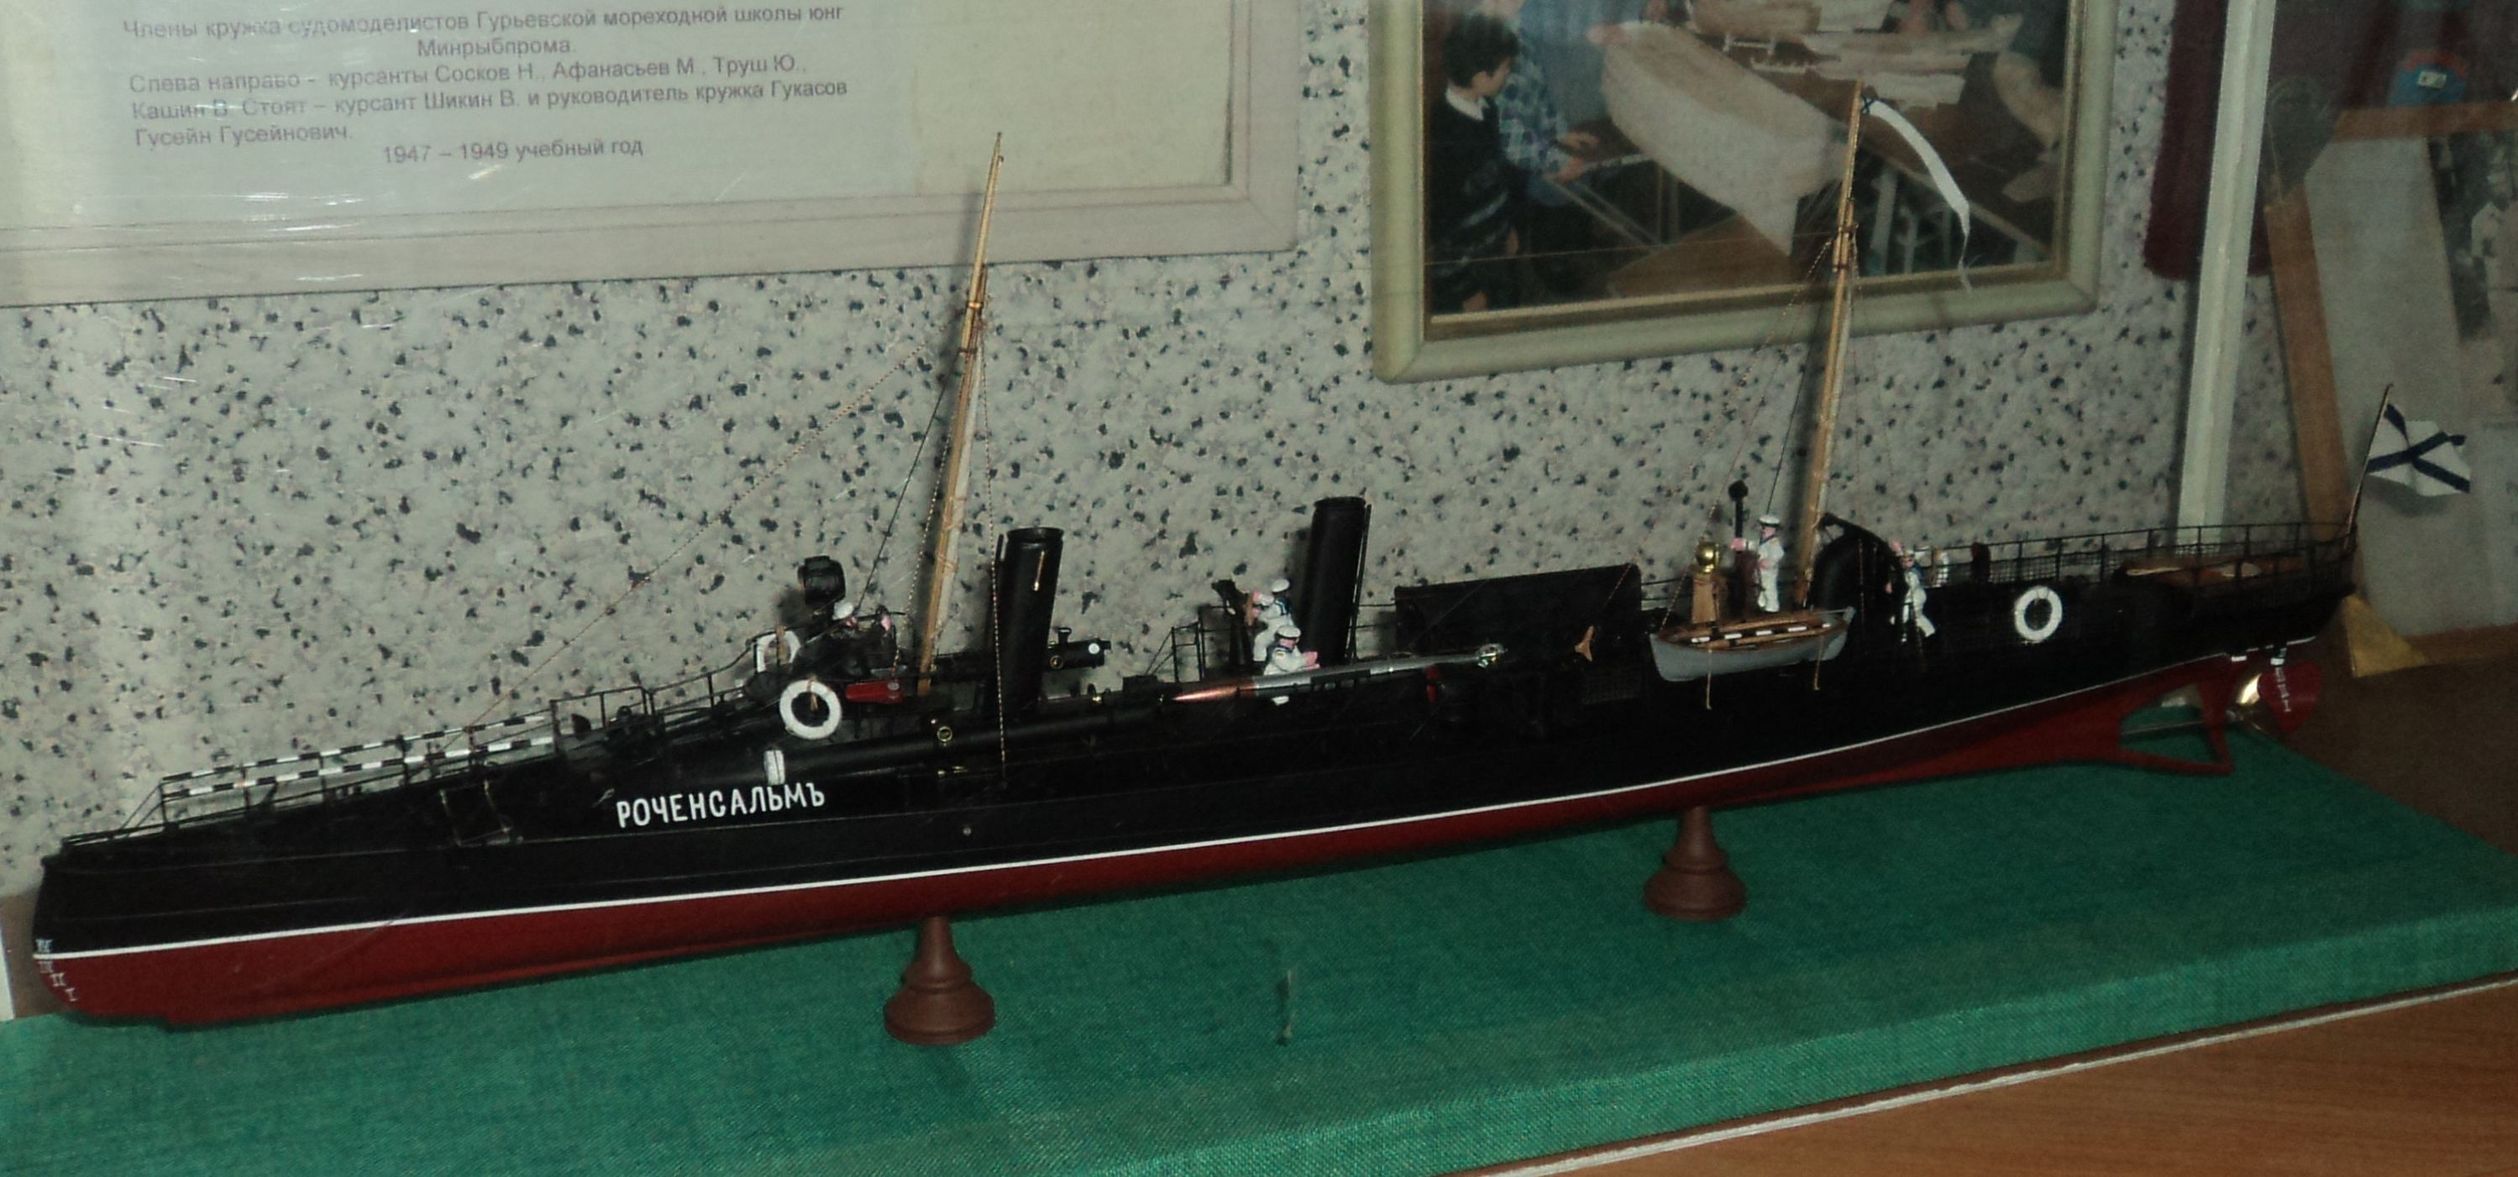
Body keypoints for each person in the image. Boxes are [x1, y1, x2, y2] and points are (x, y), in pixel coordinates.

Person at [1427, 12, 1525, 313]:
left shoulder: (1487, 109)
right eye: (1506, 69)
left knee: (1508, 304)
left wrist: (1507, 228)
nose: (1508, 74)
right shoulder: (1444, 141)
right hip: (1466, 269)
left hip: (1494, 245)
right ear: (1481, 78)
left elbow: (1495, 178)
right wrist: (1464, 289)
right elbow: (1437, 230)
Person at [1732, 513, 1785, 614]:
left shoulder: (1774, 543)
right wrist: (1742, 544)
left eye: (1765, 528)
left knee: (1769, 591)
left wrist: (1769, 562)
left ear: (1773, 530)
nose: (1763, 531)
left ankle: (1772, 610)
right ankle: (1761, 607)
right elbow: (1753, 545)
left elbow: (1778, 554)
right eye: (1762, 528)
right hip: (1758, 572)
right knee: (1759, 592)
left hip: (1767, 574)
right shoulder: (1761, 541)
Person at [1895, 543, 1938, 638]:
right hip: (1912, 600)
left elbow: (1927, 581)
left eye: (1909, 560)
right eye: (1903, 561)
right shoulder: (1907, 573)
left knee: (1905, 617)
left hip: (1916, 600)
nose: (1906, 563)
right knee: (1914, 617)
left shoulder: (1914, 573)